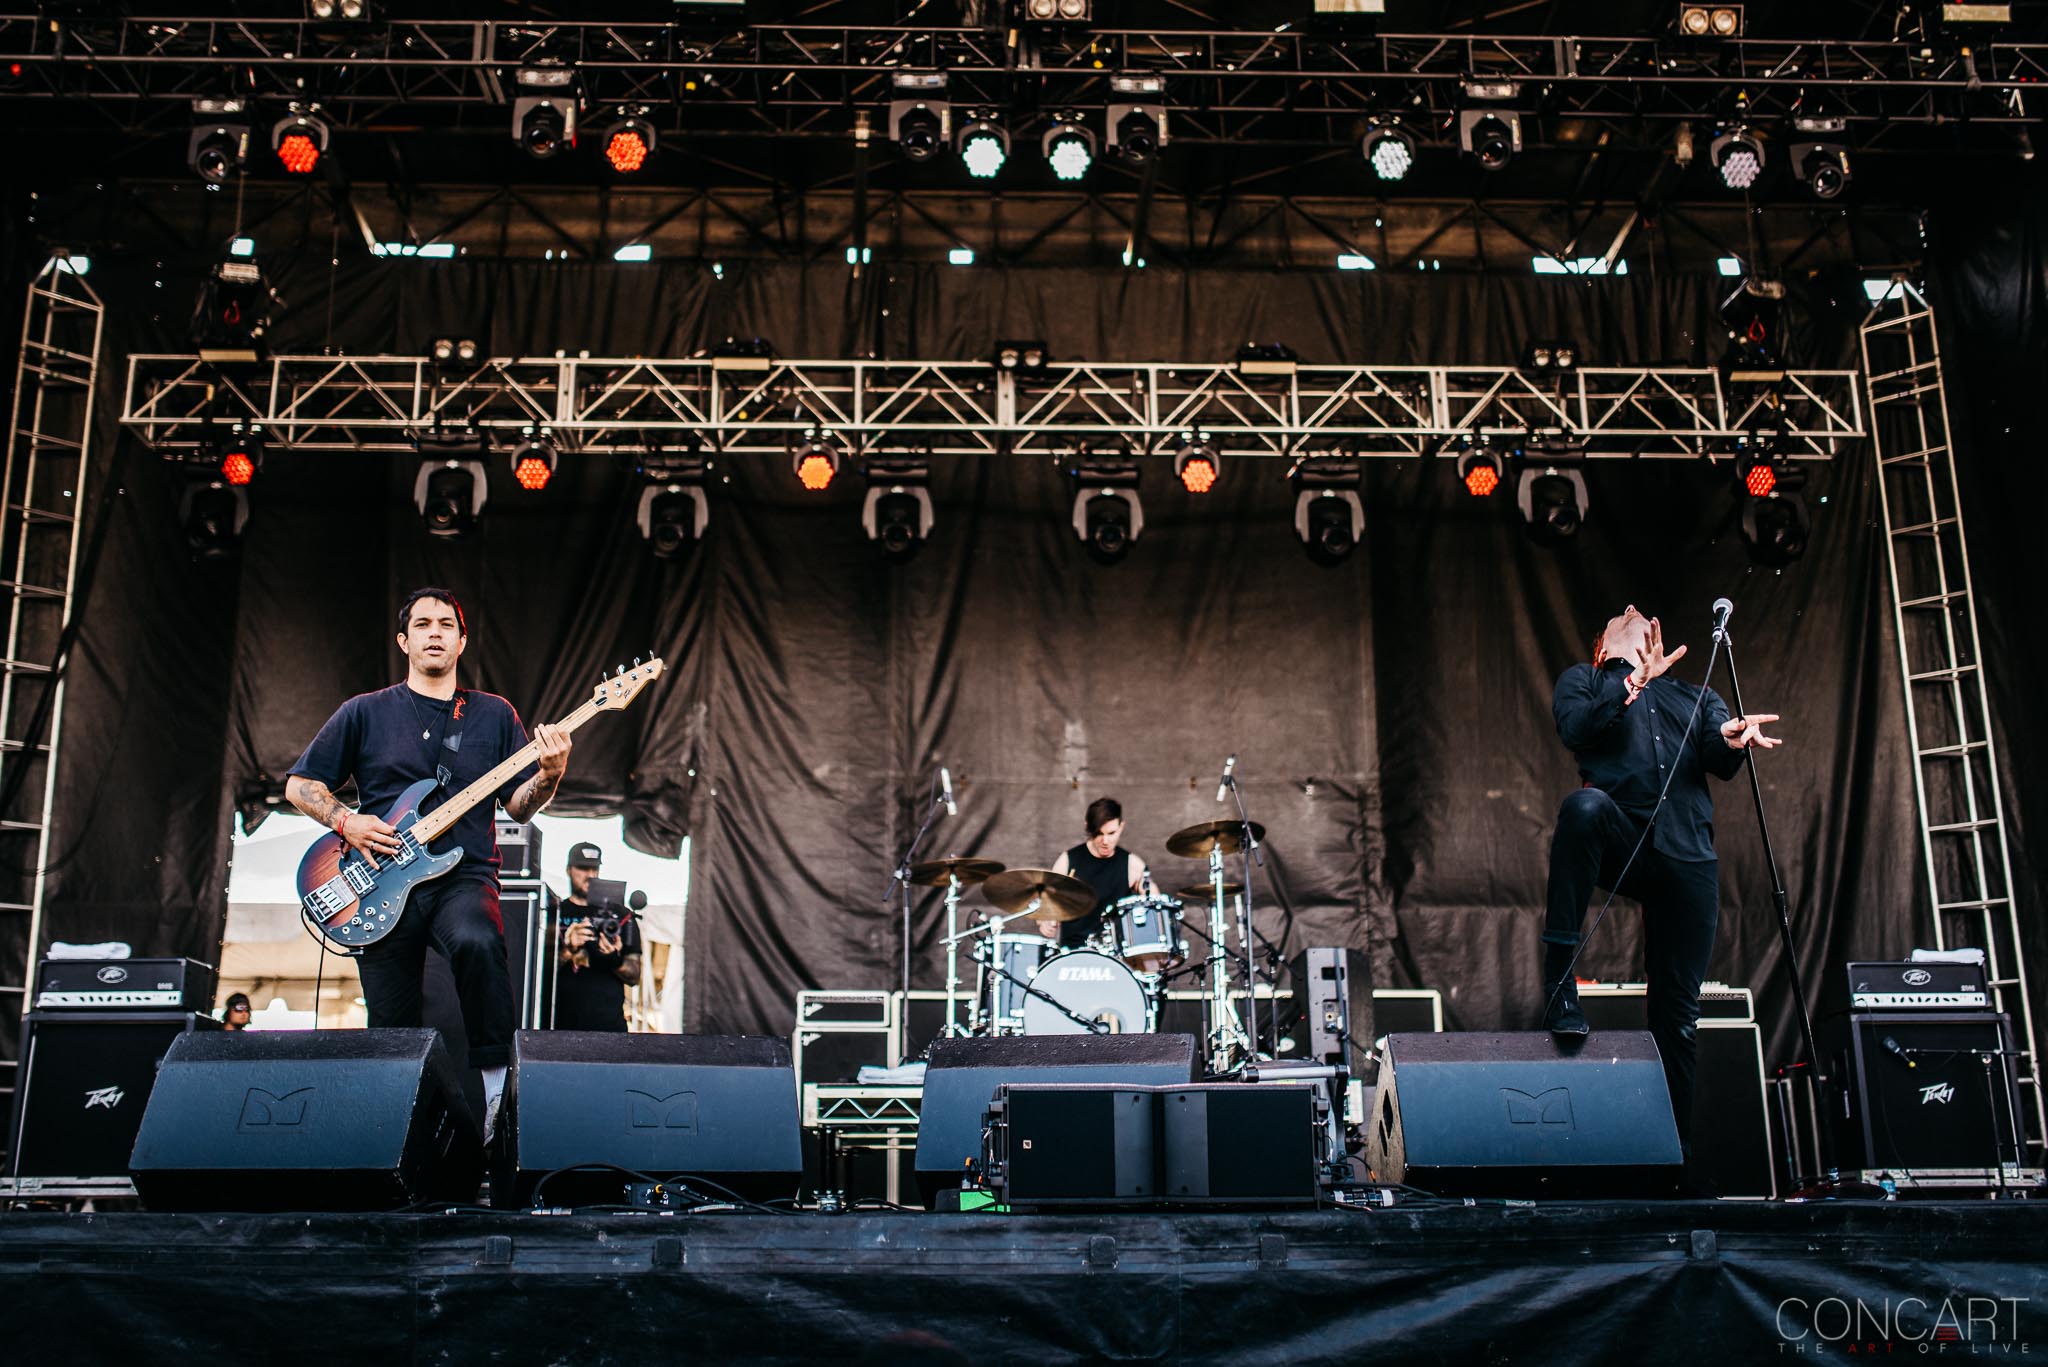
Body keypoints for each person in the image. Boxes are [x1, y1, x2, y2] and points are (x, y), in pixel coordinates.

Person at [283, 587, 571, 1142]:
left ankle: (496, 1098)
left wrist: (551, 774)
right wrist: (348, 822)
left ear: (462, 641)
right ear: (404, 639)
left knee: (478, 941)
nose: (434, 631)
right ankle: (396, 1129)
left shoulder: (492, 714)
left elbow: (518, 804)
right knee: (390, 1018)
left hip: (462, 873)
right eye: (422, 623)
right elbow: (301, 785)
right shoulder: (363, 711)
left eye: (446, 624)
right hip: (375, 877)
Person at [1543, 604, 1782, 1150]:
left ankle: (1677, 1162)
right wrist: (1632, 681)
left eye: (1639, 611)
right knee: (1581, 810)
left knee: (1679, 1018)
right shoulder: (1584, 680)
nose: (1630, 608)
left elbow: (1716, 759)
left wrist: (1730, 738)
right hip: (1619, 837)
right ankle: (1559, 984)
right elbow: (1577, 728)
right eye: (1616, 616)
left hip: (1685, 855)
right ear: (1603, 647)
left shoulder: (1698, 698)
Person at [1041, 797, 1155, 950]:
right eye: (1099, 834)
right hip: (1073, 953)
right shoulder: (1068, 860)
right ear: (1087, 827)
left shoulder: (1132, 864)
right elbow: (1047, 900)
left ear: (1121, 827)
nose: (1105, 840)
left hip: (1115, 955)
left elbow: (1154, 903)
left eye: (1111, 833)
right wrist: (1044, 920)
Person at [553, 841, 642, 1032]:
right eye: (583, 868)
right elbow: (535, 973)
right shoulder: (554, 912)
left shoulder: (621, 915)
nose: (590, 875)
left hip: (609, 1027)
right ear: (569, 870)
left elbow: (634, 976)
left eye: (594, 869)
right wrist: (568, 949)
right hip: (560, 1026)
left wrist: (613, 960)